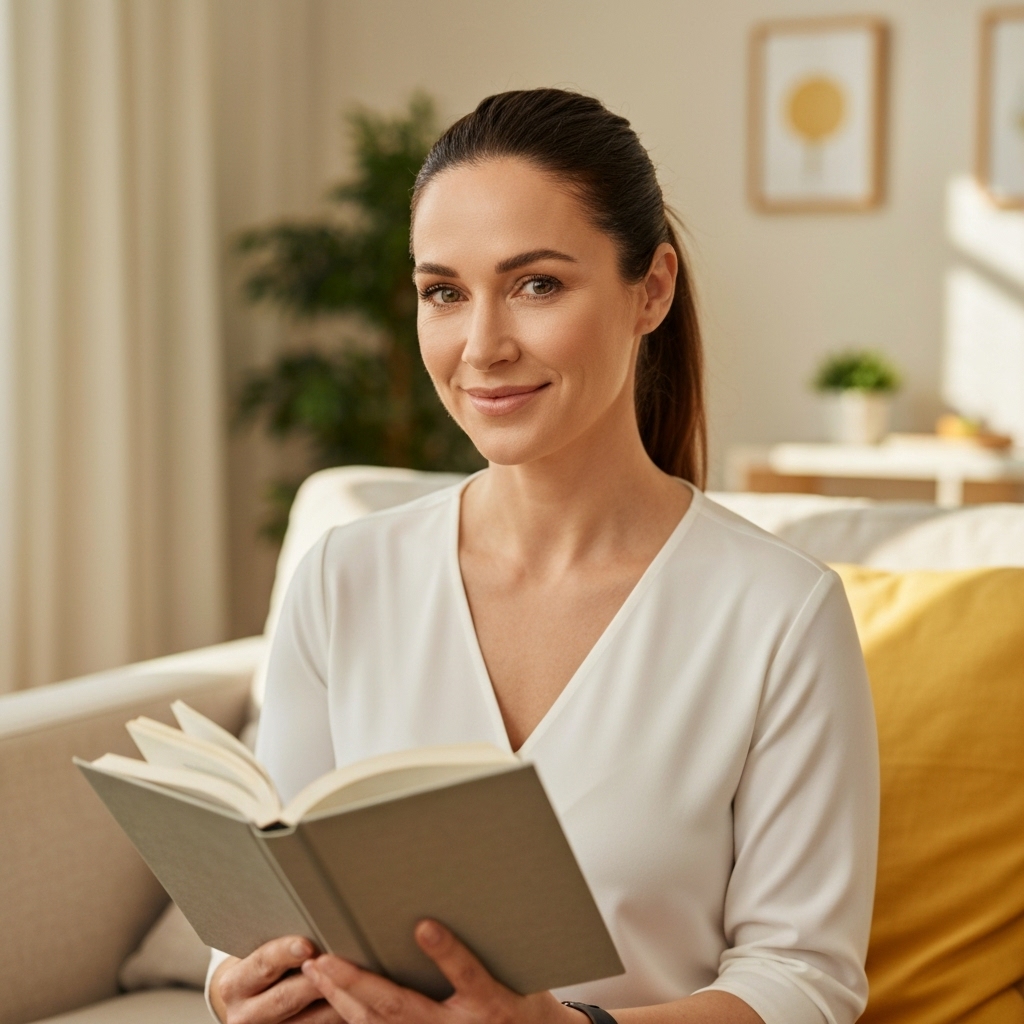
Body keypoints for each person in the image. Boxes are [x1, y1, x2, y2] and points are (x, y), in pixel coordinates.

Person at [208, 89, 878, 1024]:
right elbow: (272, 898)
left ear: (652, 289)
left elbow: (804, 981)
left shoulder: (778, 614)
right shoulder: (342, 577)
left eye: (537, 285)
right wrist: (236, 982)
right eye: (444, 292)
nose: (481, 346)